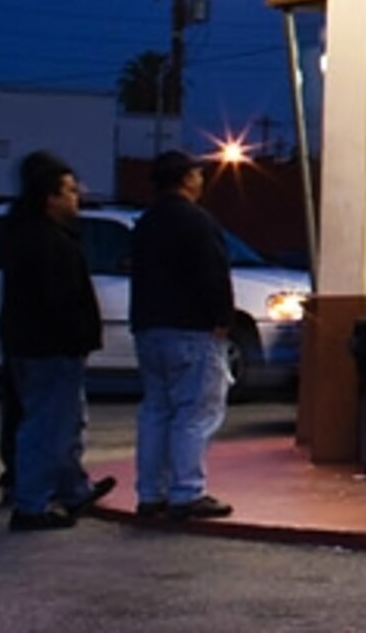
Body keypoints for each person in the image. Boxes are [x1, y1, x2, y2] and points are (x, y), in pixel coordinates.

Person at [0, 149, 114, 530]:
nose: (75, 197)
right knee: (48, 425)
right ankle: (31, 504)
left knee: (63, 422)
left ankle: (72, 488)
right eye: (67, 191)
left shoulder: (32, 235)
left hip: (39, 347)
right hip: (49, 349)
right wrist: (76, 335)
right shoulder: (46, 242)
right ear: (49, 198)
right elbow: (56, 300)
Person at [128, 148, 237, 520]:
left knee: (156, 411)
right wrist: (221, 317)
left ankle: (150, 492)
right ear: (186, 179)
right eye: (197, 174)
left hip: (149, 327)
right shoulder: (198, 222)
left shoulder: (146, 222)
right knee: (196, 411)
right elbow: (212, 273)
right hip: (192, 330)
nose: (201, 179)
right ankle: (187, 490)